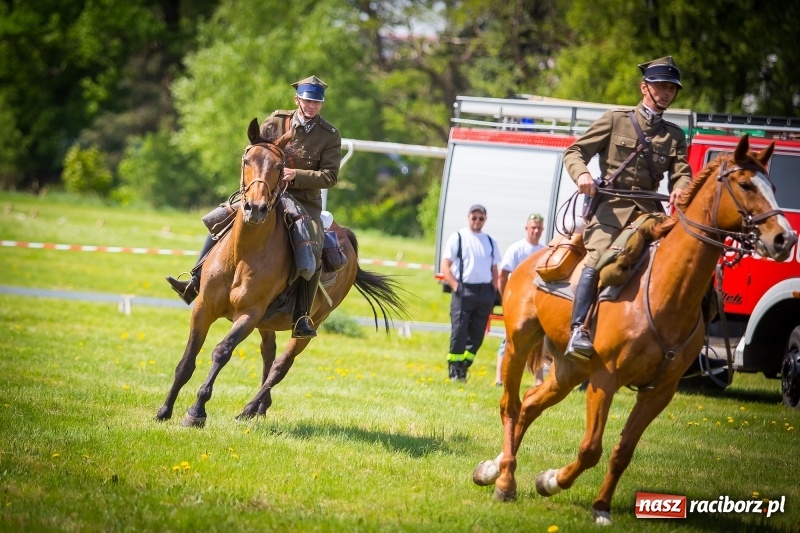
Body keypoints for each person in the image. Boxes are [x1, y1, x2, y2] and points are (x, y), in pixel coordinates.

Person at [166, 75, 342, 339]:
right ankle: (194, 281)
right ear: (297, 100)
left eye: (316, 102)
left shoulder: (329, 135)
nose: (311, 106)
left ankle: (302, 316)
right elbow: (256, 151)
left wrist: (296, 175)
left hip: (304, 201)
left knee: (313, 245)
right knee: (221, 219)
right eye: (307, 101)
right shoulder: (275, 122)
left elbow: (330, 177)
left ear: (321, 104)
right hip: (265, 192)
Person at [562, 56, 692, 360]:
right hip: (610, 211)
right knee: (596, 259)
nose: (666, 92)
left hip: (649, 213)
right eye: (660, 85)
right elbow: (575, 151)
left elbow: (682, 172)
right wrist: (582, 174)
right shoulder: (615, 119)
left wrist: (682, 189)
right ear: (644, 87)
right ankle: (578, 329)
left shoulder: (674, 135)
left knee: (682, 258)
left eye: (672, 87)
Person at [440, 204, 501, 382]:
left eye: (481, 218)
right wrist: (456, 286)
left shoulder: (490, 241)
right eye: (474, 217)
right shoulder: (458, 237)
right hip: (464, 290)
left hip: (484, 293)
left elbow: (495, 269)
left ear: (485, 220)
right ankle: (454, 370)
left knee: (477, 336)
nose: (477, 221)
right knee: (459, 331)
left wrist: (495, 291)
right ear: (468, 217)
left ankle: (464, 367)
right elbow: (446, 265)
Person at [495, 213, 545, 386]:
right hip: (518, 303)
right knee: (509, 339)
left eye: (539, 228)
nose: (536, 231)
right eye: (533, 227)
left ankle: (539, 379)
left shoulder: (545, 251)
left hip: (538, 302)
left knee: (538, 341)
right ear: (526, 228)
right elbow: (503, 275)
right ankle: (499, 378)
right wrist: (506, 300)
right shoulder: (516, 249)